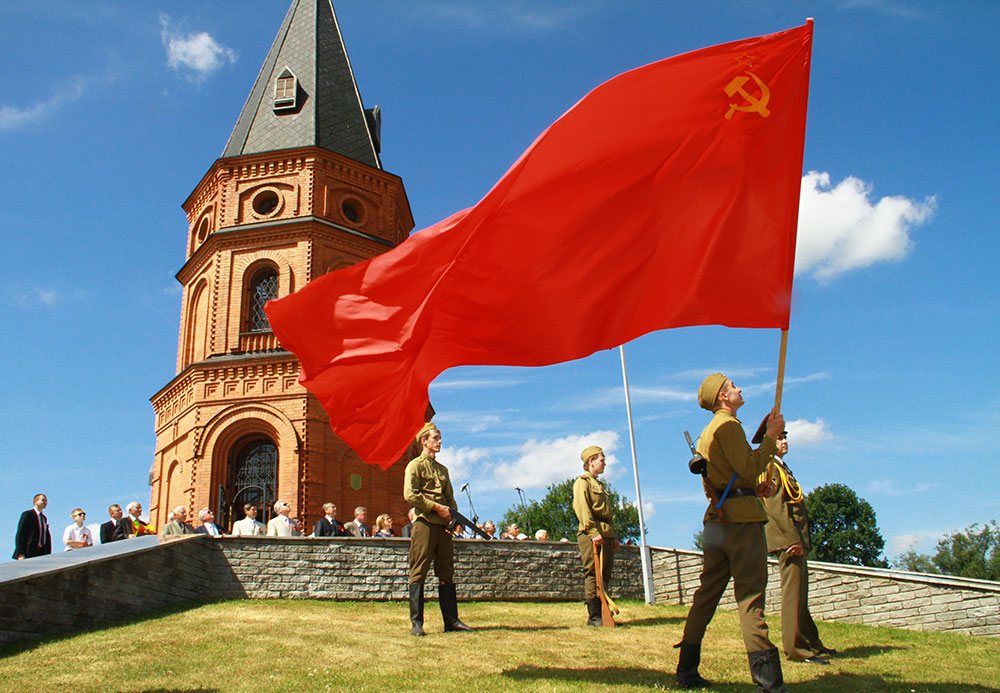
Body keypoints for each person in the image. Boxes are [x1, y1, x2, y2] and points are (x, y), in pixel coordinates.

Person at [676, 373, 787, 692]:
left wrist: (755, 488)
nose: (739, 389)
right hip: (741, 523)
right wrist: (770, 436)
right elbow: (750, 466)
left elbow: (718, 483)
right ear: (723, 398)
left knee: (707, 594)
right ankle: (769, 685)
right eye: (733, 386)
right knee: (751, 596)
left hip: (717, 521)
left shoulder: (707, 432)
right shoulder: (729, 426)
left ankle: (686, 671)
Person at [757, 425, 836, 664]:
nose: (784, 441)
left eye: (784, 436)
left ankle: (811, 643)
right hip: (788, 541)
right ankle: (797, 649)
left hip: (795, 539)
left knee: (800, 594)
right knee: (793, 596)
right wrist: (793, 540)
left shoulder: (782, 467)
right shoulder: (770, 467)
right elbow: (775, 507)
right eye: (779, 437)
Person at [403, 422, 474, 636]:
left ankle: (451, 621)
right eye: (435, 438)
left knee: (446, 572)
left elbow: (450, 499)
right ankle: (417, 623)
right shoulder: (414, 465)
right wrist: (436, 507)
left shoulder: (443, 470)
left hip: (443, 527)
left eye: (440, 437)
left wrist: (453, 517)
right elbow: (410, 495)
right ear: (424, 441)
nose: (440, 441)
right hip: (425, 523)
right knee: (418, 572)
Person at [573, 445, 619, 627]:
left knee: (605, 574)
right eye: (602, 459)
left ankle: (605, 613)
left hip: (605, 534)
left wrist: (613, 536)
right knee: (593, 573)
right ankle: (594, 617)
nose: (605, 463)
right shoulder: (582, 482)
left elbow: (608, 514)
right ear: (590, 461)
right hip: (592, 534)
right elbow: (582, 509)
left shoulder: (598, 484)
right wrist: (592, 532)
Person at [13, 493, 51, 560]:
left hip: (41, 553)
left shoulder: (43, 518)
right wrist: (20, 553)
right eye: (43, 500)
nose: (45, 503)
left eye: (46, 501)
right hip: (28, 552)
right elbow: (21, 534)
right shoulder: (27, 515)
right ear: (36, 501)